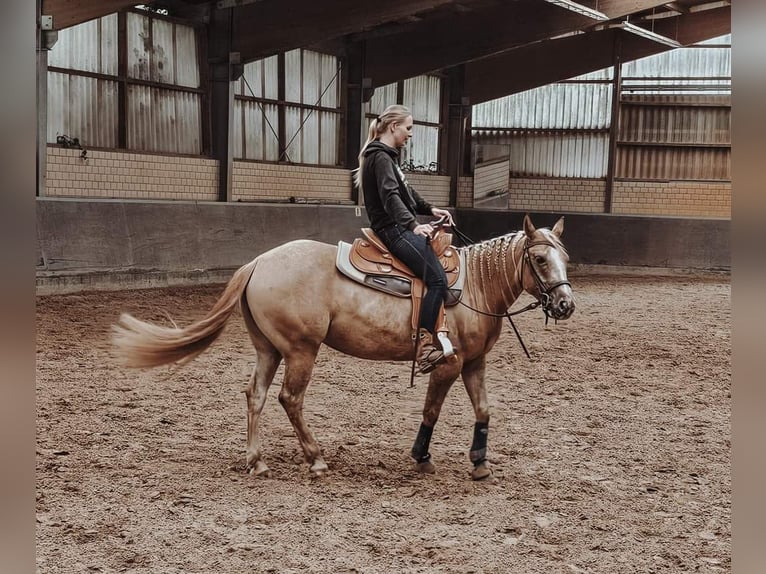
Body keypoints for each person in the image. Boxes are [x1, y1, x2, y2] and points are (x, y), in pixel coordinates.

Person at [354, 104, 454, 374]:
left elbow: (406, 193)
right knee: (437, 280)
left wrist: (431, 209)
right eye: (408, 128)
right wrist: (412, 225)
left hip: (397, 226)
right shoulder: (382, 158)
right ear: (393, 126)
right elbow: (390, 197)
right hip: (392, 230)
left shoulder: (388, 156)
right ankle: (423, 346)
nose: (410, 134)